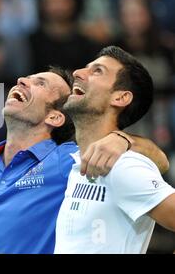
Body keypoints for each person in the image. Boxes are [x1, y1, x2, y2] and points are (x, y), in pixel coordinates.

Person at [0, 66, 169, 254]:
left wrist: (122, 140)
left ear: (54, 117)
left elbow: (160, 160)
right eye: (28, 78)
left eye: (40, 84)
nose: (21, 80)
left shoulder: (69, 159)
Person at [55, 46, 175, 254]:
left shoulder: (123, 165)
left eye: (97, 71)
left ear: (120, 98)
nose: (77, 73)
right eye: (86, 68)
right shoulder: (77, 160)